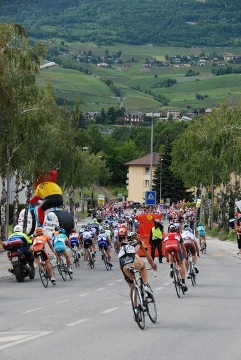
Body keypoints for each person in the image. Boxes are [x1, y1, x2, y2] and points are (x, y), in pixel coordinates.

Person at [118, 232, 157, 297]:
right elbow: (149, 258)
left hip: (123, 264)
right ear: (137, 237)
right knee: (142, 266)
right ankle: (146, 285)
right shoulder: (139, 242)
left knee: (131, 286)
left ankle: (135, 306)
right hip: (133, 259)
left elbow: (120, 259)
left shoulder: (123, 245)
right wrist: (153, 265)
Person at [164, 224, 188, 292]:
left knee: (169, 253)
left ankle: (171, 268)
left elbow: (164, 250)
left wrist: (167, 259)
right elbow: (183, 247)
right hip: (176, 247)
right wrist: (185, 255)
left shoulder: (166, 236)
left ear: (169, 230)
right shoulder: (178, 235)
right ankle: (183, 282)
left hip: (168, 247)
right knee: (181, 264)